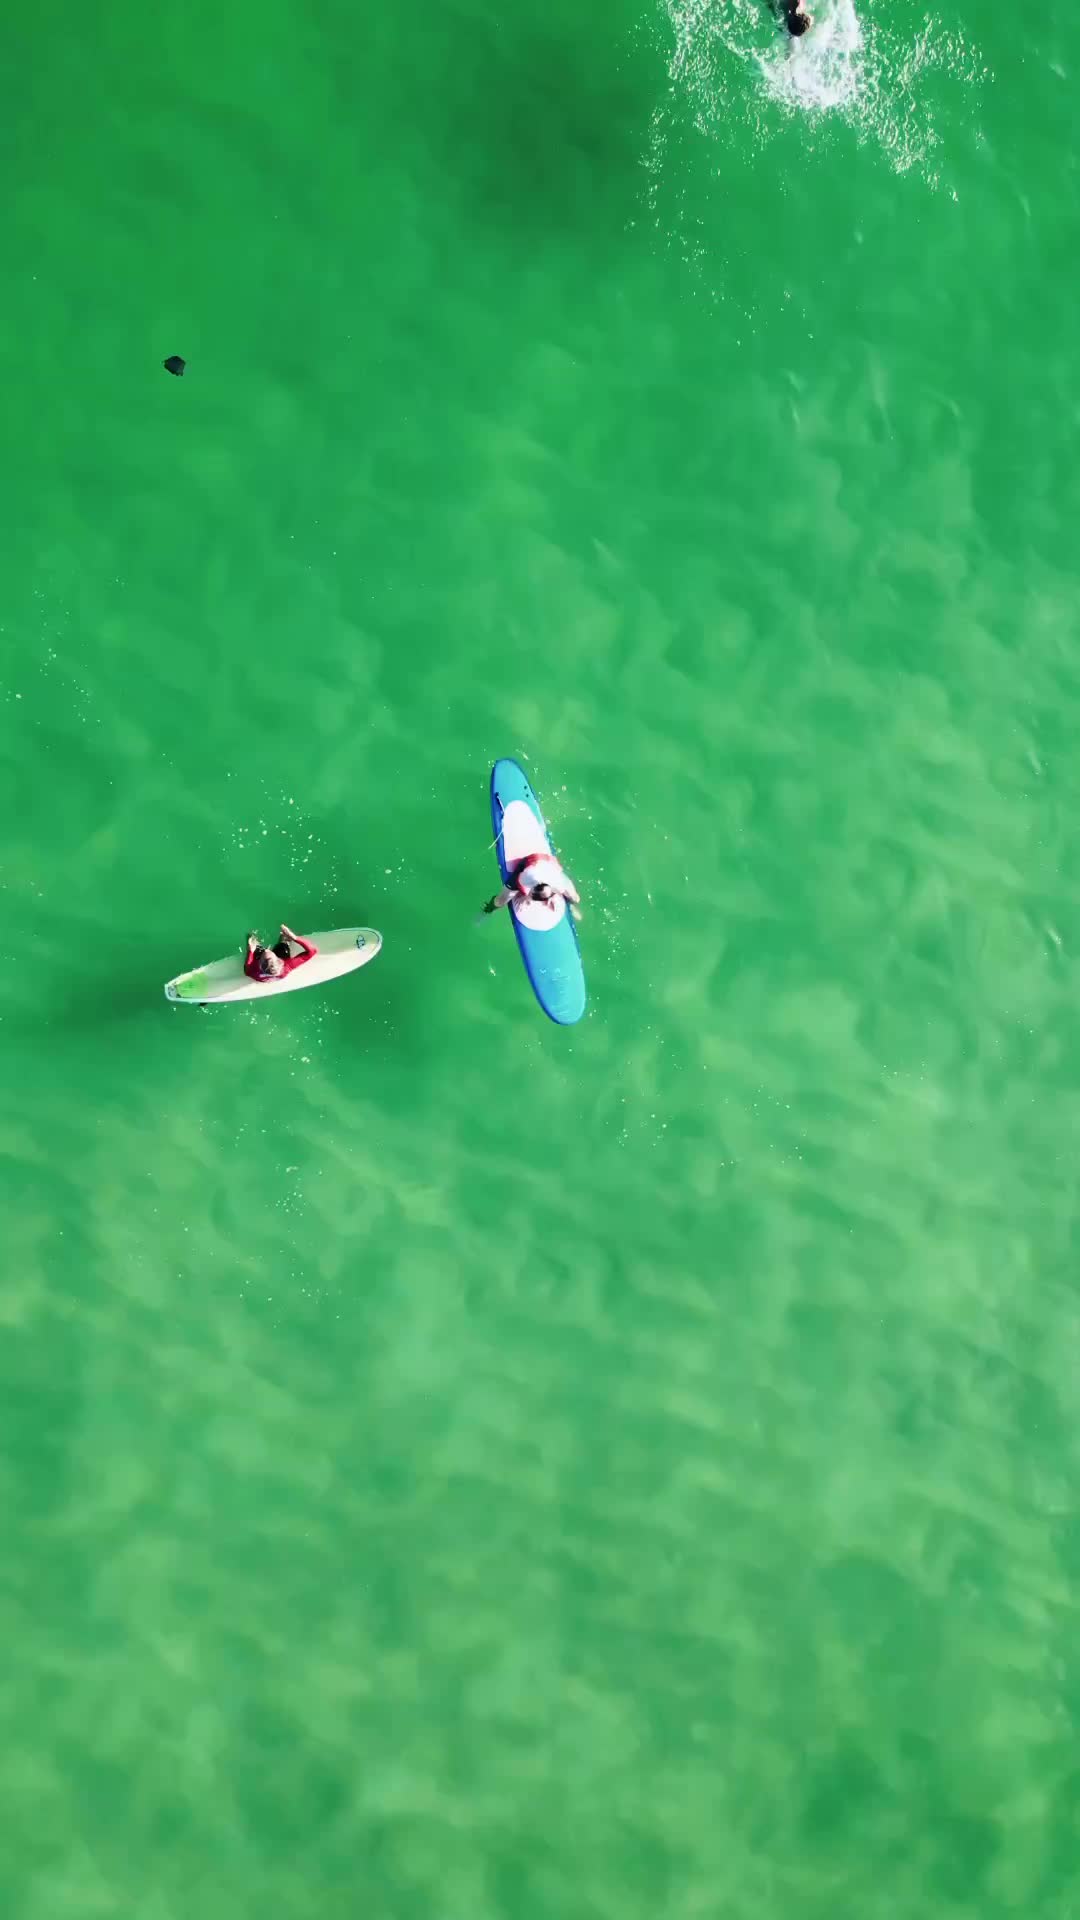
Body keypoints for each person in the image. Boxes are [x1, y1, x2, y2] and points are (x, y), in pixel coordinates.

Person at [484, 852, 582, 922]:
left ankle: (570, 906)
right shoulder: (527, 876)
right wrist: (525, 897)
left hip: (550, 863)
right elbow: (520, 885)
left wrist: (553, 897)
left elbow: (557, 888)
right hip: (530, 862)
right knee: (500, 901)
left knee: (575, 898)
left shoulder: (558, 883)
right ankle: (487, 910)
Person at [244, 924, 318, 984]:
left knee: (252, 941)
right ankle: (285, 939)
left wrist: (250, 951)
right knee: (284, 942)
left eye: (266, 952)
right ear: (279, 960)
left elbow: (247, 971)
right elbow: (312, 951)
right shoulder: (286, 967)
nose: (266, 950)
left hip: (263, 972)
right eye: (269, 952)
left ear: (259, 963)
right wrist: (294, 938)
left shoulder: (252, 971)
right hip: (277, 970)